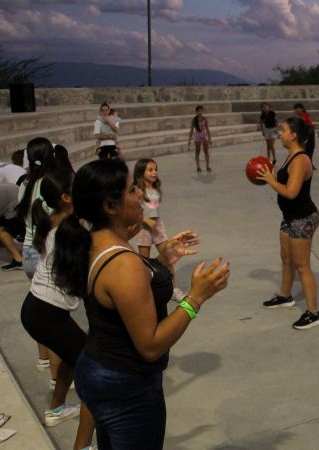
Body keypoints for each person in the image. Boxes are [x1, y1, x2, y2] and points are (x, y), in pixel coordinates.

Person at [52, 158, 229, 449]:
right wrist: (195, 298)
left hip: (99, 368)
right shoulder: (123, 264)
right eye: (132, 190)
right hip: (126, 384)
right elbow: (150, 345)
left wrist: (161, 261)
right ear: (110, 206)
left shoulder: (94, 242)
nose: (141, 196)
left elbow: (125, 296)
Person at [19, 169, 94, 449]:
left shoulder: (54, 222)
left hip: (35, 308)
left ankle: (56, 409)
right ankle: (84, 445)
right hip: (45, 312)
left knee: (74, 357)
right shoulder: (70, 231)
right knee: (92, 369)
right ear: (66, 197)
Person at [256, 117, 319, 330]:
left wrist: (271, 180)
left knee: (302, 265)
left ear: (293, 135)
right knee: (286, 259)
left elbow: (291, 192)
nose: (279, 132)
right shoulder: (291, 155)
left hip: (303, 217)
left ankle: (313, 312)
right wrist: (274, 176)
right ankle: (285, 296)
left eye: (283, 130)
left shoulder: (301, 160)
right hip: (290, 217)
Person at [17, 137, 59, 373]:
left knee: (42, 311)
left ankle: (43, 358)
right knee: (54, 317)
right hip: (45, 252)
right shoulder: (50, 184)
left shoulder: (24, 183)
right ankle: (58, 376)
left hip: (27, 252)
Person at [134, 159, 169, 260]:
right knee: (145, 261)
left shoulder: (156, 188)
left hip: (157, 226)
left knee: (167, 257)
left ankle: (169, 276)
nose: (154, 172)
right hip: (144, 228)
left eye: (155, 169)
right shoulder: (137, 190)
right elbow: (134, 211)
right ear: (141, 172)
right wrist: (146, 219)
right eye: (150, 170)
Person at [188, 105, 212, 172]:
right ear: (196, 111)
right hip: (197, 135)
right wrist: (189, 140)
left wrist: (209, 138)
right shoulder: (194, 120)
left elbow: (207, 129)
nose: (200, 112)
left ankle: (207, 166)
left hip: (204, 135)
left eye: (201, 110)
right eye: (199, 110)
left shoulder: (205, 119)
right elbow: (192, 130)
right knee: (197, 151)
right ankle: (198, 167)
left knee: (206, 151)